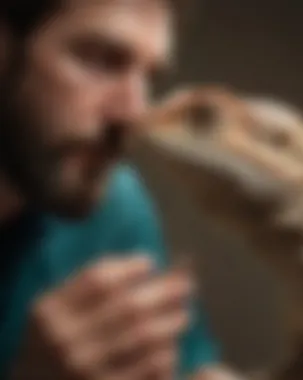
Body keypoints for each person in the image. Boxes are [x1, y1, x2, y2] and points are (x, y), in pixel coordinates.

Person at [0, 1, 248, 380]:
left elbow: (191, 371)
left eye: (149, 78)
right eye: (101, 60)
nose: (134, 115)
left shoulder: (112, 203)